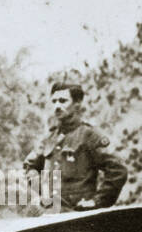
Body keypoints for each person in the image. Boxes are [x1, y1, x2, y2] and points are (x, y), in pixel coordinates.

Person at [24, 80, 127, 210]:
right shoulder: (49, 138)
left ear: (77, 104)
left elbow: (118, 170)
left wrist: (97, 201)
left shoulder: (90, 135)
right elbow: (30, 167)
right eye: (54, 101)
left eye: (62, 101)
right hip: (51, 216)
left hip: (79, 216)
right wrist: (44, 192)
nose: (57, 105)